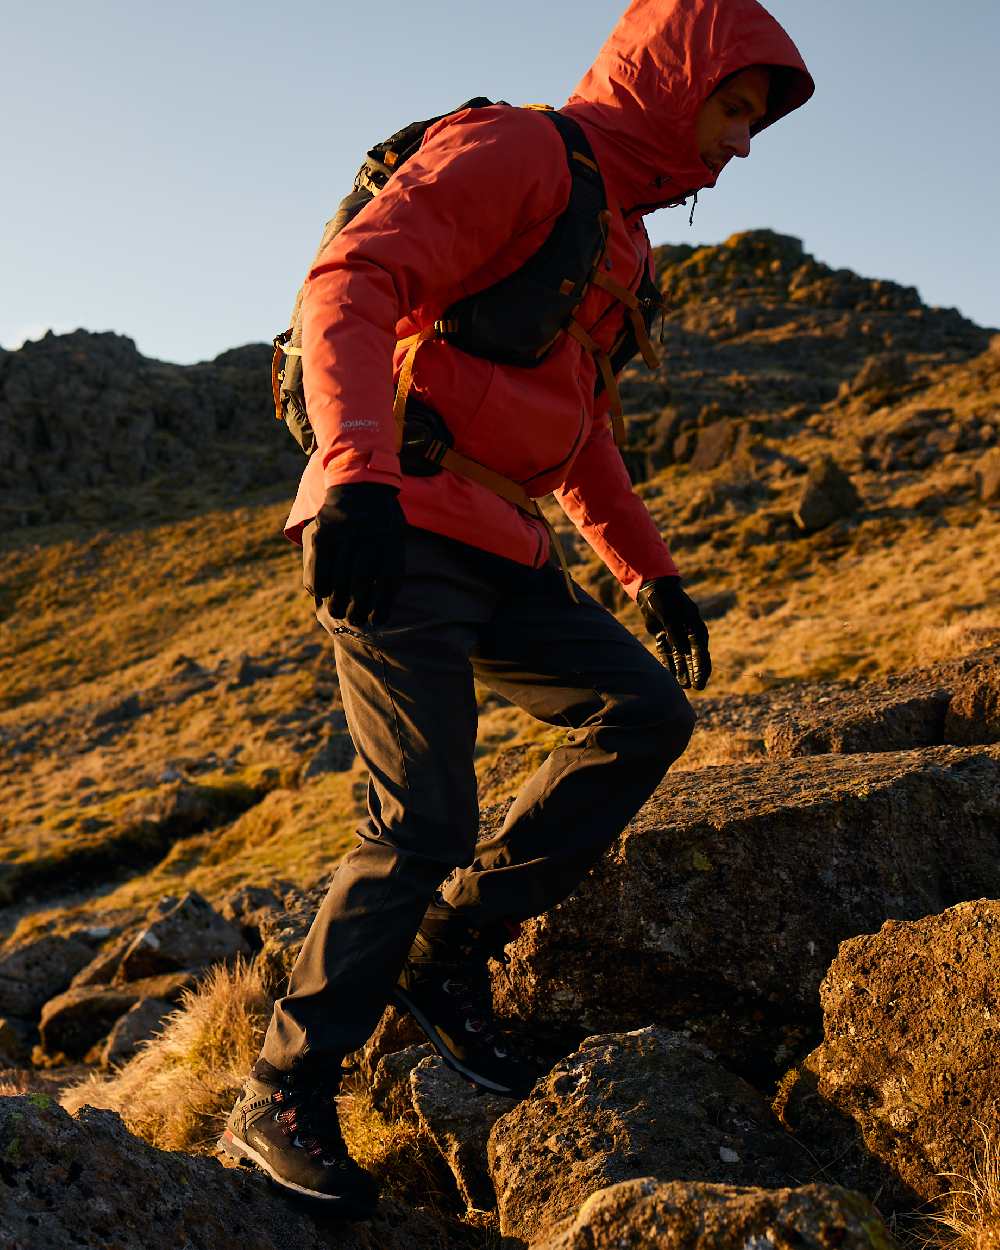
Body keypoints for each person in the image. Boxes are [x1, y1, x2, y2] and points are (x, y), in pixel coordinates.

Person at [220, 0, 814, 1210]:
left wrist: (652, 575)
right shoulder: (519, 153)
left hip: (505, 546)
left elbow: (581, 428)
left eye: (757, 122)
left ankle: (447, 958)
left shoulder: (625, 243)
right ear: (674, 73)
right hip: (395, 525)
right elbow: (352, 279)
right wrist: (354, 473)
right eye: (737, 108)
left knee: (643, 713)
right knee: (420, 822)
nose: (745, 142)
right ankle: (278, 1086)